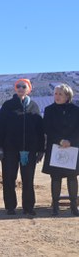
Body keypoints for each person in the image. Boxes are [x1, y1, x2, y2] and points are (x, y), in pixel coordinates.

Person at [0, 79, 45, 216]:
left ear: (29, 89)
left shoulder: (34, 106)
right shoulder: (7, 106)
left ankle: (28, 207)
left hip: (29, 150)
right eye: (18, 86)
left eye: (24, 86)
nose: (21, 88)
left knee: (28, 179)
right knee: (9, 178)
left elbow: (40, 130)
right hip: (10, 149)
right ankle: (10, 207)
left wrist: (41, 149)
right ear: (15, 89)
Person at [42, 84, 79, 216]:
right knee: (55, 177)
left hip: (72, 148)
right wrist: (60, 141)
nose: (57, 96)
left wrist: (71, 141)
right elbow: (47, 128)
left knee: (72, 177)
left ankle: (74, 207)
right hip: (55, 147)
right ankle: (55, 207)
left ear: (67, 96)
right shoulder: (49, 110)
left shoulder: (76, 110)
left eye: (60, 94)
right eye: (55, 94)